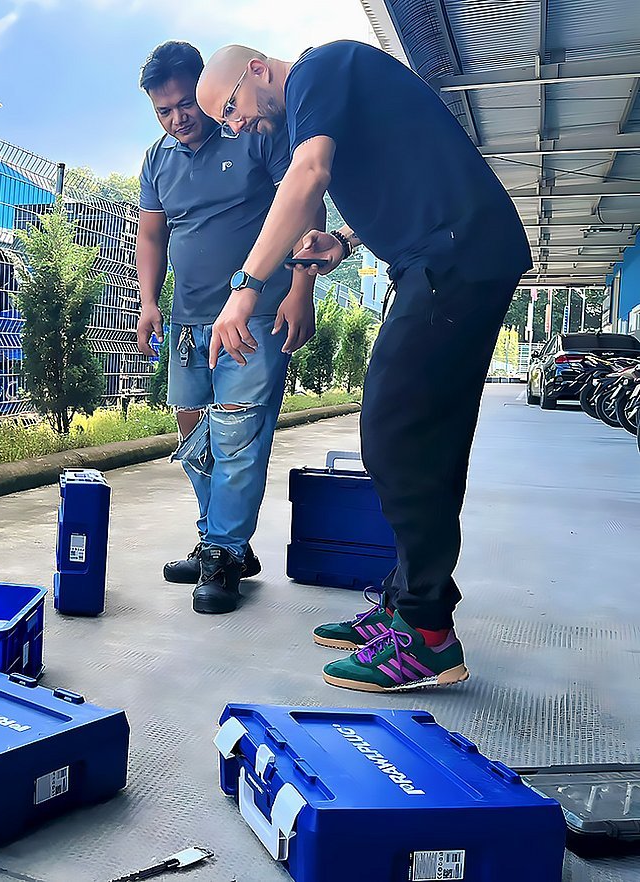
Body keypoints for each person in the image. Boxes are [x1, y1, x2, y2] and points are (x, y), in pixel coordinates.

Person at [196, 41, 531, 691]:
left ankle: (427, 632)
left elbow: (309, 173)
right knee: (421, 437)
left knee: (393, 430)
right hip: (450, 252)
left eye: (230, 108)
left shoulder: (320, 69)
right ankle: (409, 600)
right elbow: (401, 170)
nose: (235, 126)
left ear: (259, 69)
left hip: (454, 254)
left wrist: (246, 286)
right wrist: (343, 241)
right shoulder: (329, 96)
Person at [135, 41, 319, 615]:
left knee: (238, 436)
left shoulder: (253, 131)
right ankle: (219, 538)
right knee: (195, 440)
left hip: (255, 316)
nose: (177, 118)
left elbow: (305, 202)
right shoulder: (157, 159)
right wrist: (147, 303)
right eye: (163, 111)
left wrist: (300, 289)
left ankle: (224, 550)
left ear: (208, 89)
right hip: (189, 323)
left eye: (186, 103)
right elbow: (150, 235)